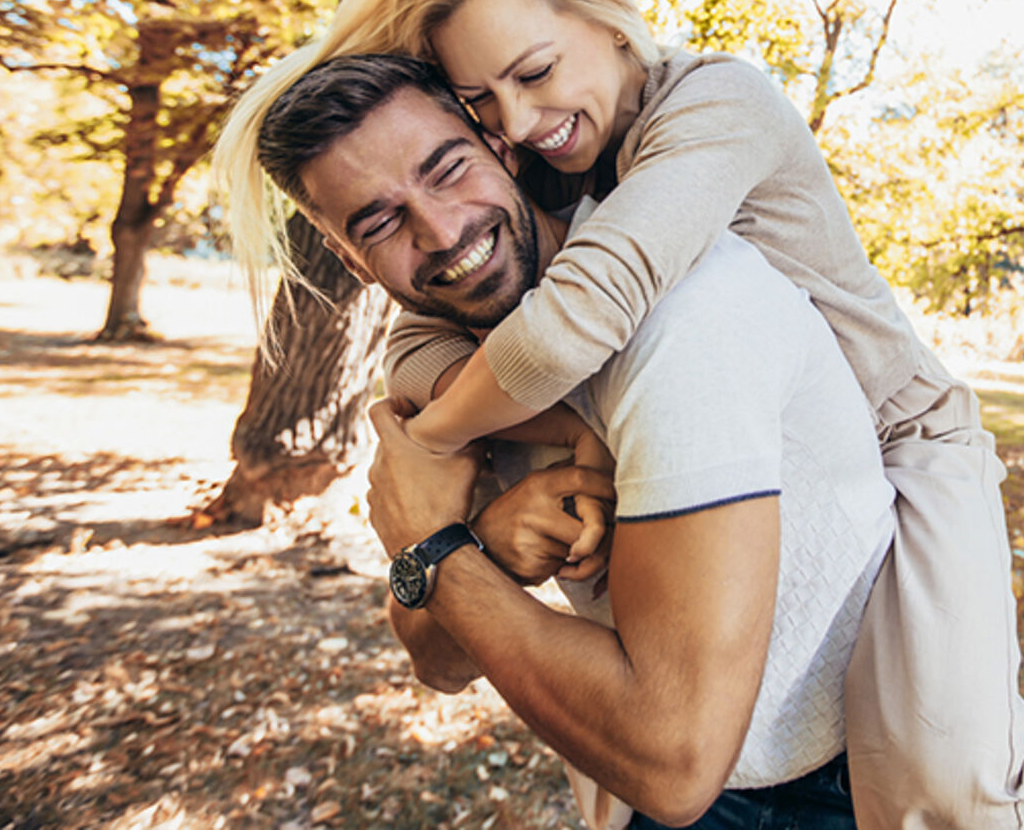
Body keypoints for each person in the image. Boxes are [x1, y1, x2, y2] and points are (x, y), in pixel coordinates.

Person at [214, 0, 1024, 830]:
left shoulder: (710, 122)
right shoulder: (525, 215)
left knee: (950, 768)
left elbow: (584, 319)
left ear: (614, 21)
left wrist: (431, 451)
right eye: (487, 103)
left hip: (913, 434)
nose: (522, 120)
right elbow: (433, 621)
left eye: (532, 77)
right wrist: (462, 541)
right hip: (675, 770)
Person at [257, 52, 896, 828]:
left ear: (501, 147)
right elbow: (435, 657)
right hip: (650, 780)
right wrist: (477, 545)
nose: (442, 228)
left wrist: (433, 548)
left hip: (837, 789)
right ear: (355, 263)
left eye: (447, 167)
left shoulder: (683, 316)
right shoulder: (457, 366)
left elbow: (677, 760)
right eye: (381, 221)